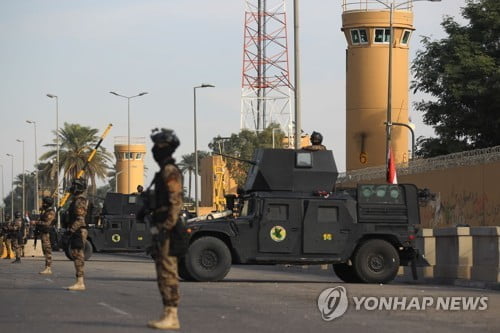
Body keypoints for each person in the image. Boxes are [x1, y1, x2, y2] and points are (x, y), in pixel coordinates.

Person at [147, 128, 183, 330]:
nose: (154, 150)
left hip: (167, 229)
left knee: (168, 272)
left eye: (157, 146)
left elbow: (175, 203)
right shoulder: (162, 171)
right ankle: (167, 313)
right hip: (161, 227)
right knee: (162, 272)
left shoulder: (170, 171)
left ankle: (172, 315)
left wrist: (166, 227)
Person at [65, 178, 89, 291]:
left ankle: (80, 282)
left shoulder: (80, 201)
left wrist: (71, 230)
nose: (72, 187)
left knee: (78, 255)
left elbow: (80, 219)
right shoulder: (76, 200)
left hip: (79, 230)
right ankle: (79, 281)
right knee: (75, 254)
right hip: (76, 230)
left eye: (75, 185)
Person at [36, 196, 56, 275]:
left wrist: (36, 223)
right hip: (44, 233)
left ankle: (48, 268)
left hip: (48, 233)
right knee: (45, 250)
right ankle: (47, 267)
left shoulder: (50, 212)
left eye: (44, 202)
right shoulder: (45, 211)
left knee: (48, 251)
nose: (42, 204)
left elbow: (47, 224)